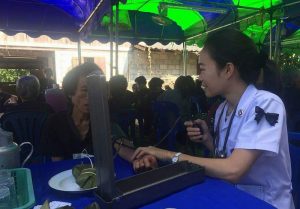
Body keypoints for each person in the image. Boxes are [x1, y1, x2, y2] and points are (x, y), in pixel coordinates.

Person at [131, 29, 294, 209]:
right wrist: (208, 139)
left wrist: (169, 155)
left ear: (227, 69)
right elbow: (226, 157)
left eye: (202, 69)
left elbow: (234, 169)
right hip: (232, 197)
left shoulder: (266, 104)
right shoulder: (223, 109)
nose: (199, 77)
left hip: (264, 203)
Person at [42, 62, 156, 171]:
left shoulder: (104, 120)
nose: (92, 96)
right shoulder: (56, 123)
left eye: (97, 90)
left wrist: (139, 158)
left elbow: (121, 146)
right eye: (85, 90)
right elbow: (57, 164)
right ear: (70, 93)